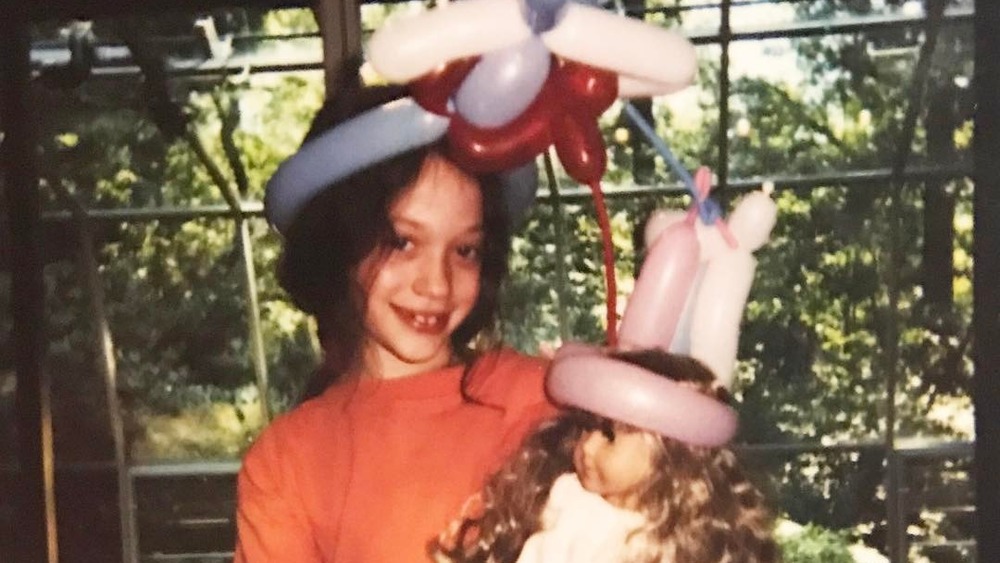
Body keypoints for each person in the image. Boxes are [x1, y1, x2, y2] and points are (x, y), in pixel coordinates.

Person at [234, 61, 557, 562]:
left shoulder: (540, 397)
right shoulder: (288, 461)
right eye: (402, 242)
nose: (436, 284)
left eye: (465, 250)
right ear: (342, 245)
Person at [434, 349, 779, 563]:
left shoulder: (669, 544)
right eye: (586, 427)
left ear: (670, 455)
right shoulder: (570, 495)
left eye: (610, 434)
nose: (587, 446)